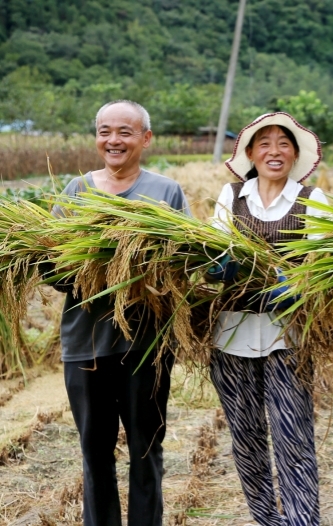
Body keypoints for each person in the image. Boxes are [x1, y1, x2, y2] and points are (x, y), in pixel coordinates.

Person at [53, 100, 190, 526]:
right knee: (95, 453)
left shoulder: (166, 193)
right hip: (85, 344)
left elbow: (184, 263)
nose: (114, 140)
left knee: (146, 449)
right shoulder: (76, 192)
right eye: (105, 131)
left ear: (145, 139)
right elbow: (52, 264)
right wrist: (94, 270)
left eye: (125, 132)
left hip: (146, 343)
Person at [209, 112, 327, 526]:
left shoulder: (314, 200)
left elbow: (323, 266)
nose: (274, 151)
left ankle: (301, 522)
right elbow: (215, 248)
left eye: (283, 143)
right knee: (245, 439)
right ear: (250, 154)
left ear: (295, 155)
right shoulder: (232, 196)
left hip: (287, 337)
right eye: (264, 143)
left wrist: (295, 285)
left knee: (293, 438)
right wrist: (217, 268)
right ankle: (266, 520)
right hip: (231, 335)